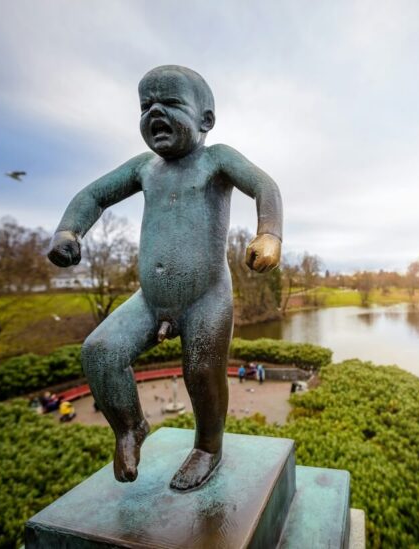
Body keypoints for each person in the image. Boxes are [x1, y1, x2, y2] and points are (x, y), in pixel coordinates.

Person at [47, 65, 283, 490]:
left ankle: (208, 447)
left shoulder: (216, 159)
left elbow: (264, 186)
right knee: (100, 353)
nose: (155, 112)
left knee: (201, 371)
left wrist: (268, 234)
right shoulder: (145, 167)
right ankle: (130, 428)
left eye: (171, 103)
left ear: (205, 120)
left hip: (205, 296)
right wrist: (68, 231)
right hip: (150, 298)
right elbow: (94, 195)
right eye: (146, 106)